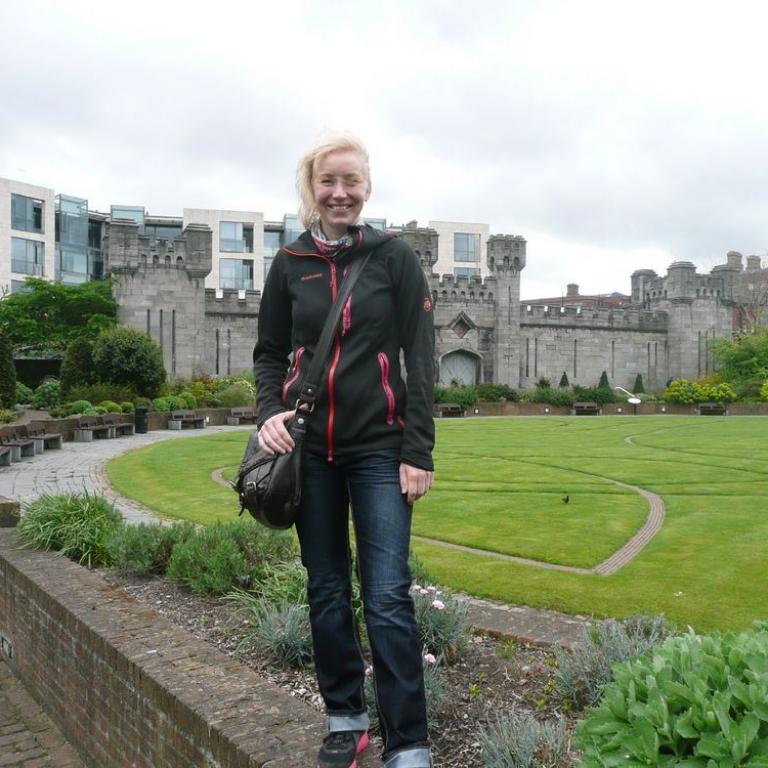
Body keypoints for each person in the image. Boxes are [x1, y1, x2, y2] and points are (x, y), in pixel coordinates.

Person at [253, 134, 435, 768]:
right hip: (310, 455)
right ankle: (346, 721)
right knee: (327, 589)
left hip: (381, 450)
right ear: (312, 187)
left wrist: (419, 451)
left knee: (387, 597)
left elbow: (420, 357)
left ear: (367, 187)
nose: (340, 193)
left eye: (350, 181)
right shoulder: (289, 264)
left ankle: (407, 742)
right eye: (328, 181)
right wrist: (269, 413)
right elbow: (269, 353)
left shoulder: (394, 259)